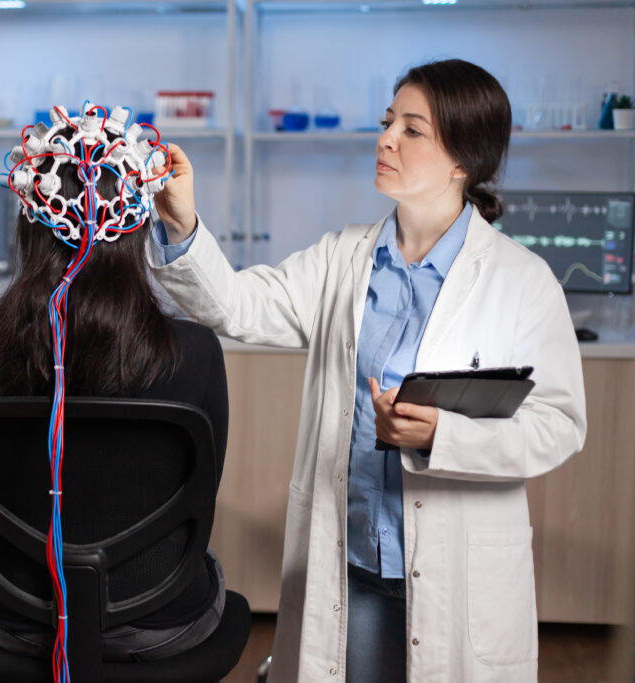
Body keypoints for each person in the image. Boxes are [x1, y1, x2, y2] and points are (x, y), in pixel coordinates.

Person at [149, 59, 586, 682]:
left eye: (413, 130)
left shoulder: (522, 281)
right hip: (349, 564)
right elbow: (237, 306)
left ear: (464, 158)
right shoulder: (343, 259)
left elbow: (560, 424)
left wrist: (442, 435)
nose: (385, 139)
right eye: (388, 123)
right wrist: (181, 220)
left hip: (459, 574)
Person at [0, 110, 230, 662]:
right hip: (159, 615)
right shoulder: (193, 352)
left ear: (29, 225)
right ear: (136, 226)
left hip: (19, 614)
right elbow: (204, 485)